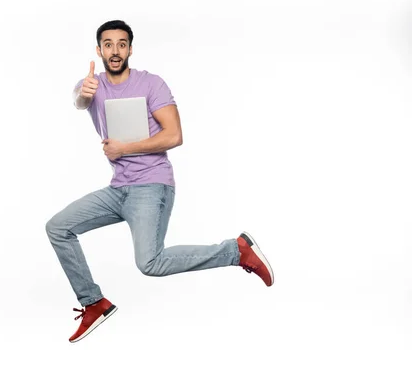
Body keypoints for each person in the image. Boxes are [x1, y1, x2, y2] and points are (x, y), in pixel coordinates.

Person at [46, 20, 274, 343]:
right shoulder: (93, 86)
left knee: (150, 262)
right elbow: (78, 100)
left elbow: (175, 135)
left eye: (121, 44)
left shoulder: (151, 84)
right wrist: (80, 93)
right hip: (117, 189)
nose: (115, 51)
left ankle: (236, 251)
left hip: (152, 186)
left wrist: (124, 148)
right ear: (99, 50)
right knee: (58, 227)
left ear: (130, 50)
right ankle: (93, 302)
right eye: (108, 44)